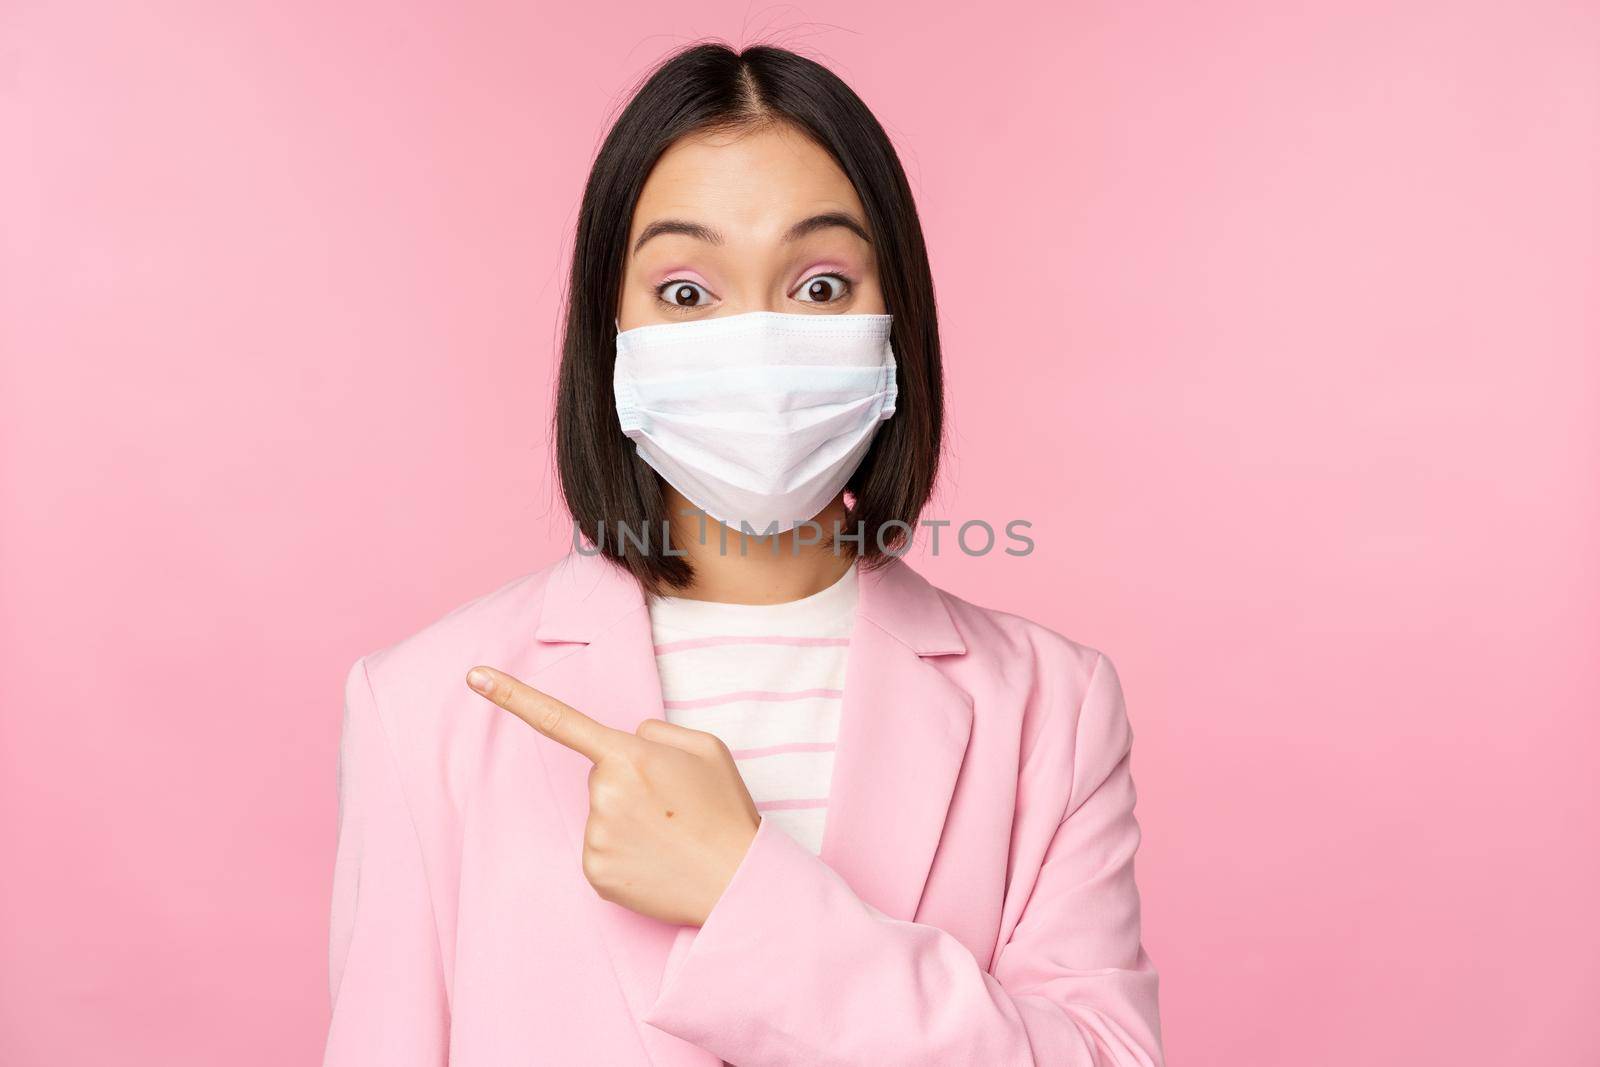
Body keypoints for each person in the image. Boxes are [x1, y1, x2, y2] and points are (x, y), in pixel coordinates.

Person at [324, 40, 1165, 1066]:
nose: (759, 345)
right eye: (686, 292)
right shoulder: (422, 709)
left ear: (896, 324)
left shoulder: (1051, 707)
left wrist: (746, 892)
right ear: (612, 333)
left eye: (818, 286)